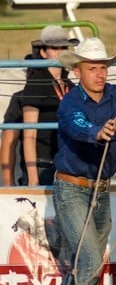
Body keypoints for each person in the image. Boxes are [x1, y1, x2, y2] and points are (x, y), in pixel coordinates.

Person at [39, 38, 116, 285]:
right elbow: (78, 126)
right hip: (72, 189)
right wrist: (98, 130)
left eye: (103, 67)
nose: (100, 73)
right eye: (93, 68)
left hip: (100, 188)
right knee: (91, 260)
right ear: (77, 71)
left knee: (83, 264)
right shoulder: (70, 104)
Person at [21, 26, 77, 186]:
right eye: (55, 47)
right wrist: (33, 178)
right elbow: (29, 135)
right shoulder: (36, 83)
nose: (60, 51)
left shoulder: (69, 84)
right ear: (44, 53)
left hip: (66, 163)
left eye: (64, 47)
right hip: (42, 164)